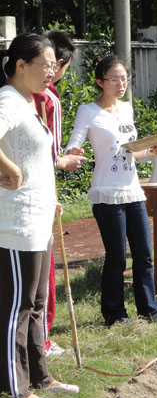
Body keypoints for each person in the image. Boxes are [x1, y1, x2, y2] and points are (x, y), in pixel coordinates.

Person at [0, 33, 79, 398]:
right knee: (18, 305)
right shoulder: (9, 100)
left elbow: (38, 159)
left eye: (53, 65)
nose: (53, 71)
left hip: (40, 216)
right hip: (16, 222)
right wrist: (12, 172)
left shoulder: (31, 103)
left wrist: (52, 198)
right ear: (21, 65)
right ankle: (15, 387)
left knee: (37, 301)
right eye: (46, 65)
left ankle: (40, 375)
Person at [65, 55, 157, 326]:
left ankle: (150, 309)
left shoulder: (127, 109)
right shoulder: (88, 111)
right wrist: (71, 154)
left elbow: (130, 151)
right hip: (106, 192)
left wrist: (151, 150)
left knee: (144, 254)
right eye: (114, 79)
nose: (120, 84)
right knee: (116, 256)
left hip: (133, 190)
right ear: (101, 81)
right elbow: (74, 143)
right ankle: (115, 314)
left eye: (124, 79)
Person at [34, 31, 87, 357]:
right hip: (35, 190)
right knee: (42, 270)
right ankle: (42, 338)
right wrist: (65, 161)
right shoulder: (48, 98)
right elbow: (51, 155)